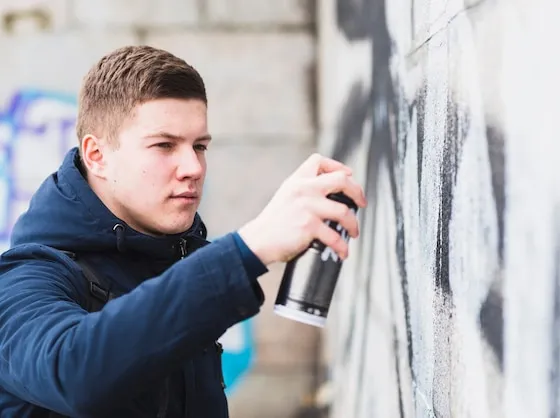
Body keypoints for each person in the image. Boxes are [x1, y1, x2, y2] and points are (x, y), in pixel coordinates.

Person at [0, 45, 366, 417]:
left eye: (200, 146)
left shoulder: (172, 253)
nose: (193, 166)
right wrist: (249, 248)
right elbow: (73, 371)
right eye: (164, 145)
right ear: (97, 155)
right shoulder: (26, 278)